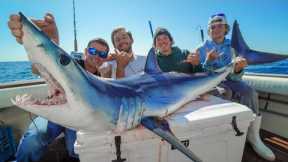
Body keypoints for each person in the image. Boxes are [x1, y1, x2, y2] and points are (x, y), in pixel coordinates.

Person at [8, 13, 111, 162]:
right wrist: (51, 44)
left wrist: (105, 76)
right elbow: (38, 69)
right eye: (93, 51)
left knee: (76, 150)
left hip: (81, 119)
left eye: (102, 53)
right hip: (55, 109)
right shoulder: (70, 63)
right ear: (85, 51)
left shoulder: (103, 77)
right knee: (32, 141)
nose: (97, 56)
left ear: (106, 57)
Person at [197, 13, 275, 161]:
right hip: (211, 83)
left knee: (250, 92)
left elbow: (236, 77)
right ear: (209, 30)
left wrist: (238, 69)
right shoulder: (201, 48)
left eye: (220, 25)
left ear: (226, 28)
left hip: (231, 79)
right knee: (223, 93)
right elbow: (199, 76)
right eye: (213, 26)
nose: (216, 29)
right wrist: (207, 62)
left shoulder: (233, 47)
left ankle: (253, 137)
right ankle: (221, 136)